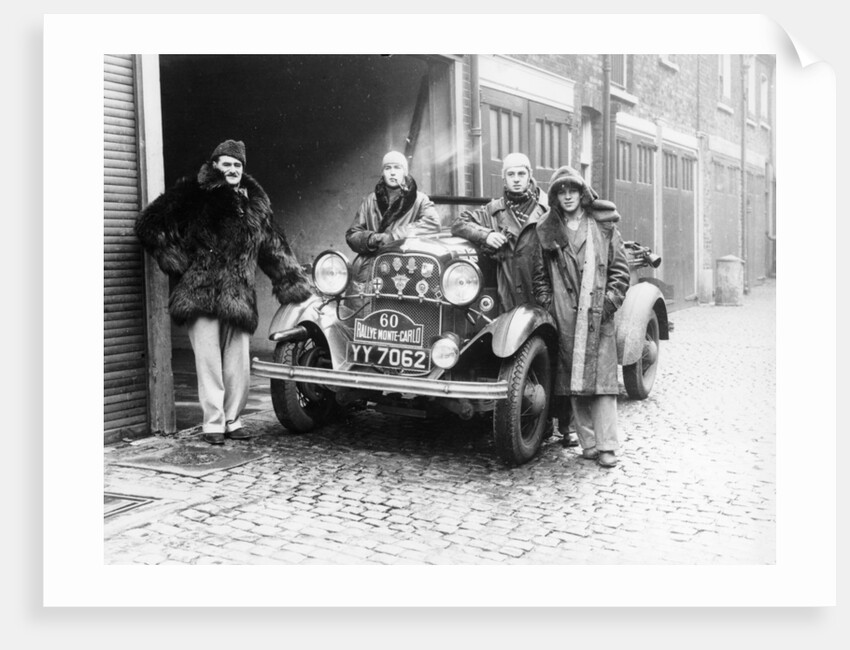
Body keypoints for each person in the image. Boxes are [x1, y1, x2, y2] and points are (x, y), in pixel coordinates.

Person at [135, 139, 312, 445]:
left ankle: (233, 418)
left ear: (244, 170)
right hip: (199, 294)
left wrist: (292, 282)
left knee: (238, 363)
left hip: (238, 297)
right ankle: (213, 422)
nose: (232, 169)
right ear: (215, 164)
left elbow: (274, 248)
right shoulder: (193, 193)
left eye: (238, 165)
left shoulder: (255, 204)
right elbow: (149, 225)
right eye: (227, 163)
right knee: (208, 363)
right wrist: (179, 262)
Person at [451, 152, 575, 446]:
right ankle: (531, 422)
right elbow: (459, 223)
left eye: (521, 174)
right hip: (510, 296)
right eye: (511, 175)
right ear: (503, 178)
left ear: (530, 175)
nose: (516, 180)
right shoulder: (493, 212)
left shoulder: (548, 209)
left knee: (557, 354)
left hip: (545, 292)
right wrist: (485, 236)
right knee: (517, 356)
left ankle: (565, 424)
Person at [533, 166, 630, 467]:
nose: (568, 196)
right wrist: (551, 306)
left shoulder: (603, 226)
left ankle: (607, 446)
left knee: (603, 384)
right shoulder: (546, 230)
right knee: (574, 380)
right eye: (561, 191)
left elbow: (620, 271)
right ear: (555, 197)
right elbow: (539, 277)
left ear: (582, 192)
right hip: (564, 316)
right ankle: (588, 443)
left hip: (598, 313)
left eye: (572, 190)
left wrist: (609, 303)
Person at [345, 151, 442, 285]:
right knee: (362, 302)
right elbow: (352, 234)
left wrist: (394, 236)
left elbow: (433, 224)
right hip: (373, 266)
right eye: (387, 168)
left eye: (397, 167)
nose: (392, 172)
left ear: (405, 172)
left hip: (408, 265)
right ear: (382, 173)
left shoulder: (419, 200)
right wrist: (373, 239)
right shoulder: (370, 200)